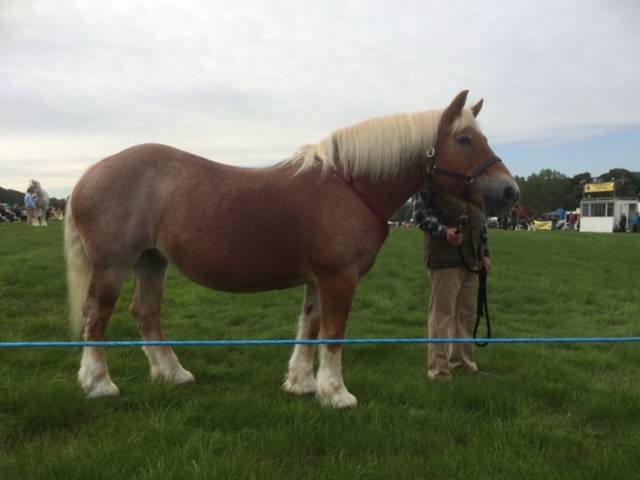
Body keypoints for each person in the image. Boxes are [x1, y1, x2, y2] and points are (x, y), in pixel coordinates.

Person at [413, 189, 491, 381]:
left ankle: (463, 364)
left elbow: (481, 224)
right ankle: (438, 372)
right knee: (442, 315)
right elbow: (420, 216)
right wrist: (444, 232)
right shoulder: (430, 181)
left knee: (465, 315)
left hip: (472, 260)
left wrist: (485, 253)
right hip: (445, 259)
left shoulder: (474, 184)